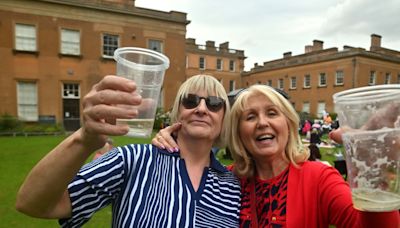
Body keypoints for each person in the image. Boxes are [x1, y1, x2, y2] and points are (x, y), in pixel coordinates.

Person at [152, 84, 399, 227]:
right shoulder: (226, 180)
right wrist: (173, 141)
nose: (262, 123)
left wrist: (372, 173)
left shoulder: (319, 178)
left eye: (272, 113)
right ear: (239, 133)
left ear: (289, 124)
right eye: (250, 117)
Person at [15, 75, 241, 227]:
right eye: (190, 100)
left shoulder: (234, 184)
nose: (201, 108)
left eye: (213, 103)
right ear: (177, 111)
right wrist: (84, 140)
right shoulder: (133, 160)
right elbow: (34, 203)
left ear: (224, 116)